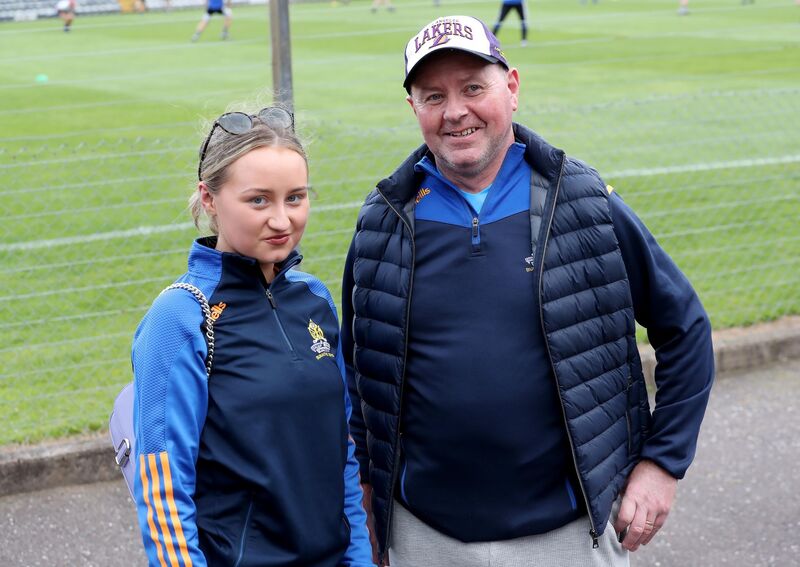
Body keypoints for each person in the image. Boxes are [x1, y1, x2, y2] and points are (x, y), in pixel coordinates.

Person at [341, 14, 714, 567]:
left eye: (473, 88)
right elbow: (359, 371)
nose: (455, 112)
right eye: (433, 96)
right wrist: (366, 493)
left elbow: (685, 329)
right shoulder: (383, 221)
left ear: (512, 87)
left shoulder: (583, 202)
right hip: (424, 534)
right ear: (413, 107)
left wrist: (663, 463)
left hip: (571, 534)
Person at [131, 105, 375, 567]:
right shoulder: (180, 317)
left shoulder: (315, 299)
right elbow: (164, 486)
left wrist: (359, 559)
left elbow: (340, 451)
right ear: (209, 199)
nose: (282, 220)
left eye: (295, 198)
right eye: (259, 200)